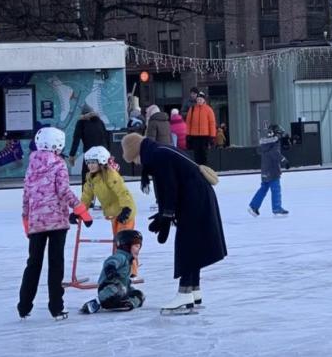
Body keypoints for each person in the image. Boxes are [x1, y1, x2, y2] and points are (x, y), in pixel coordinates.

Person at [122, 131, 227, 314]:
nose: (135, 164)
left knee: (186, 244)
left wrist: (167, 215)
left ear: (135, 152)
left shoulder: (157, 155)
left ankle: (185, 291)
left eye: (132, 159)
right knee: (192, 244)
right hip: (197, 196)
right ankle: (194, 289)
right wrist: (165, 214)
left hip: (195, 198)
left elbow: (169, 187)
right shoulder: (158, 151)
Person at [18, 126, 93, 321]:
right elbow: (64, 192)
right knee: (55, 264)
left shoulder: (31, 164)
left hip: (36, 223)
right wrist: (82, 212)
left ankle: (24, 306)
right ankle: (56, 307)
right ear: (57, 145)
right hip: (57, 224)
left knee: (33, 263)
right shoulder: (58, 164)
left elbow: (26, 195)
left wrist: (26, 220)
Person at [80, 146, 138, 276]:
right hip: (113, 213)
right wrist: (79, 211)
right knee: (118, 242)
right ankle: (120, 267)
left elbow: (122, 192)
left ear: (101, 162)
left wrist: (126, 208)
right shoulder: (90, 178)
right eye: (88, 163)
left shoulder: (110, 174)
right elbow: (86, 196)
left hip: (125, 211)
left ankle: (131, 271)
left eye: (93, 162)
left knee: (125, 242)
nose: (90, 166)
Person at [80, 229, 145, 314]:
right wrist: (110, 270)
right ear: (126, 245)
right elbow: (111, 262)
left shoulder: (128, 260)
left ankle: (129, 303)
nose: (138, 249)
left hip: (122, 290)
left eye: (139, 247)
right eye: (136, 246)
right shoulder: (120, 257)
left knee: (139, 294)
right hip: (107, 288)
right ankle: (96, 303)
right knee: (119, 289)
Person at [248, 124, 289, 217]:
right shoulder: (274, 143)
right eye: (279, 134)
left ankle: (253, 206)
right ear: (275, 134)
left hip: (265, 170)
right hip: (273, 170)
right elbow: (275, 154)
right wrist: (284, 161)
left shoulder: (265, 144)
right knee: (276, 189)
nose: (280, 136)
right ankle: (277, 208)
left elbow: (262, 152)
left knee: (263, 189)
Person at [68, 104, 109, 183]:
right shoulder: (100, 122)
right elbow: (106, 137)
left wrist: (72, 155)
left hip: (90, 154)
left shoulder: (81, 122)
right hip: (103, 154)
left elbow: (76, 140)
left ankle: (87, 194)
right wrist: (108, 154)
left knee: (86, 178)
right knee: (104, 179)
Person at [185, 92, 217, 166]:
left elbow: (212, 123)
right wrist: (188, 135)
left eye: (200, 99)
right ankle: (198, 169)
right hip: (194, 136)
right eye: (198, 99)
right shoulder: (192, 109)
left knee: (204, 155)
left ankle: (204, 170)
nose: (199, 101)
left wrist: (212, 136)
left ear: (204, 100)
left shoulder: (208, 109)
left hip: (205, 136)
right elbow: (188, 123)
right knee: (196, 155)